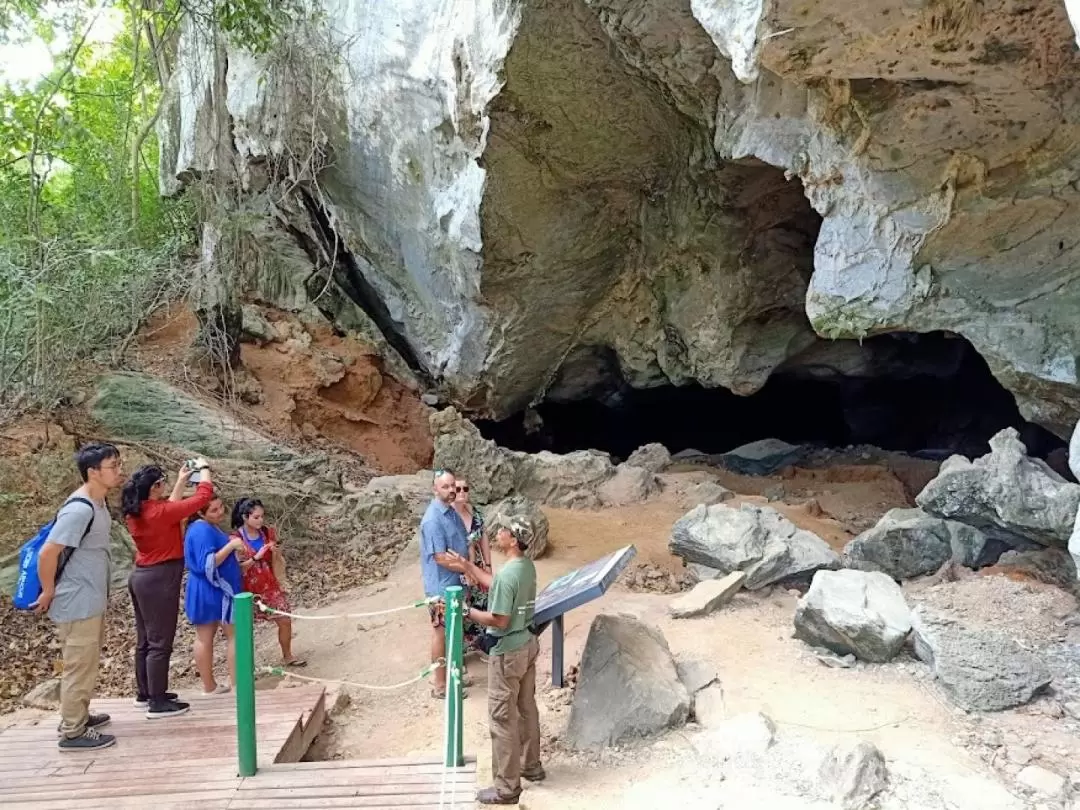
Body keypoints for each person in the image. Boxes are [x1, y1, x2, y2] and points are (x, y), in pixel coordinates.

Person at [33, 442, 124, 751]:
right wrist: (48, 590)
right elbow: (48, 553)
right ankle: (73, 731)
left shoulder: (99, 503)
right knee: (79, 665)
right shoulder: (79, 508)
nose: (118, 471)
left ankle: (79, 715)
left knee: (87, 662)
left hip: (91, 596)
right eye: (113, 466)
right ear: (93, 472)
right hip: (77, 599)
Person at [451, 522, 543, 805]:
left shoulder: (508, 576)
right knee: (526, 708)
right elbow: (497, 583)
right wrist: (468, 565)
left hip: (507, 653)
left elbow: (499, 619)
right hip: (527, 643)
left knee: (502, 718)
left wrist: (466, 611)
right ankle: (531, 766)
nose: (497, 533)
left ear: (513, 540)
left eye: (503, 530)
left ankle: (506, 787)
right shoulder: (525, 566)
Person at [121, 458, 215, 718]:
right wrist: (204, 471)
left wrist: (182, 480)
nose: (164, 487)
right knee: (160, 642)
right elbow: (202, 497)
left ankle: (146, 693)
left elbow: (169, 509)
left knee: (146, 640)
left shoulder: (138, 510)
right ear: (155, 487)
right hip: (160, 579)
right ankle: (158, 702)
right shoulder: (158, 512)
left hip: (141, 576)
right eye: (162, 484)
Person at [230, 497, 305, 666]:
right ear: (244, 517)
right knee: (245, 628)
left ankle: (288, 656)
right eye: (256, 517)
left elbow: (275, 558)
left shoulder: (267, 533)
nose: (260, 520)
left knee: (284, 618)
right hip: (247, 588)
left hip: (269, 583)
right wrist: (257, 557)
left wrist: (275, 552)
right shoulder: (236, 539)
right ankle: (246, 666)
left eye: (262, 516)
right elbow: (238, 568)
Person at [183, 493, 243, 695]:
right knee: (233, 635)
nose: (220, 512)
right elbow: (207, 563)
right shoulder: (201, 530)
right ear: (201, 512)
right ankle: (235, 684)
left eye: (220, 507)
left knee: (207, 637)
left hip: (209, 588)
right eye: (214, 510)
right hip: (214, 588)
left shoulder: (206, 527)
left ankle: (212, 686)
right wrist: (231, 546)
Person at [419, 469, 471, 699]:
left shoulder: (450, 512)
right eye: (445, 487)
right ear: (435, 489)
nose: (451, 490)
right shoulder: (432, 519)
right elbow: (440, 557)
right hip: (441, 588)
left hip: (455, 584)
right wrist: (467, 569)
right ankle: (440, 685)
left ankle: (454, 677)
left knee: (455, 632)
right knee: (441, 633)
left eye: (453, 486)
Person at [451, 477, 492, 652]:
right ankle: (459, 653)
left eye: (465, 489)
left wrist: (488, 565)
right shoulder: (448, 517)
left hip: (478, 567)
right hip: (458, 570)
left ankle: (480, 643)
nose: (462, 492)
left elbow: (483, 538)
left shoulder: (474, 513)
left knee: (482, 604)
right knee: (461, 608)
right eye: (458, 489)